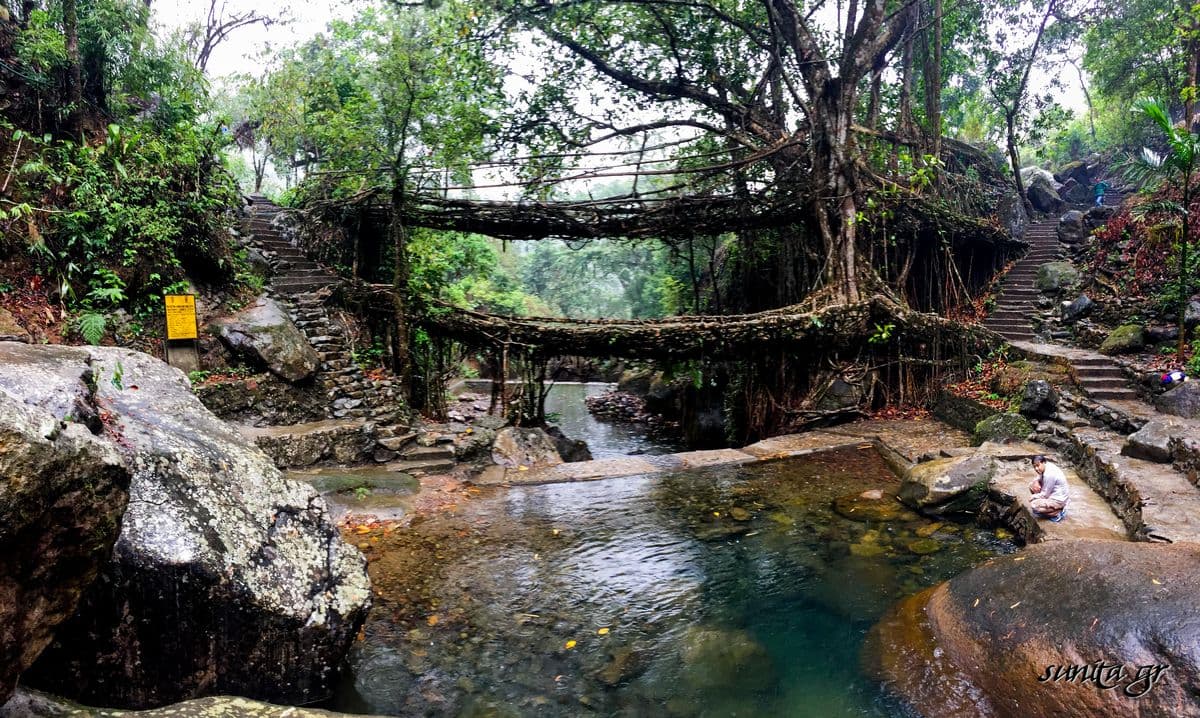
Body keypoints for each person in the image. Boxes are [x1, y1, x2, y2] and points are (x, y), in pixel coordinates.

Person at [1029, 455, 1069, 521]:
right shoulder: (1047, 466)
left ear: (1043, 462)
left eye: (1038, 465)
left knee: (1034, 506)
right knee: (1031, 486)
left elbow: (1045, 494)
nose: (1036, 468)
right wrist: (1036, 481)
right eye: (1034, 467)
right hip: (1052, 493)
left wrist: (1033, 497)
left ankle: (1058, 512)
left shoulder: (1049, 474)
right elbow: (1039, 476)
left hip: (1058, 500)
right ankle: (1050, 509)